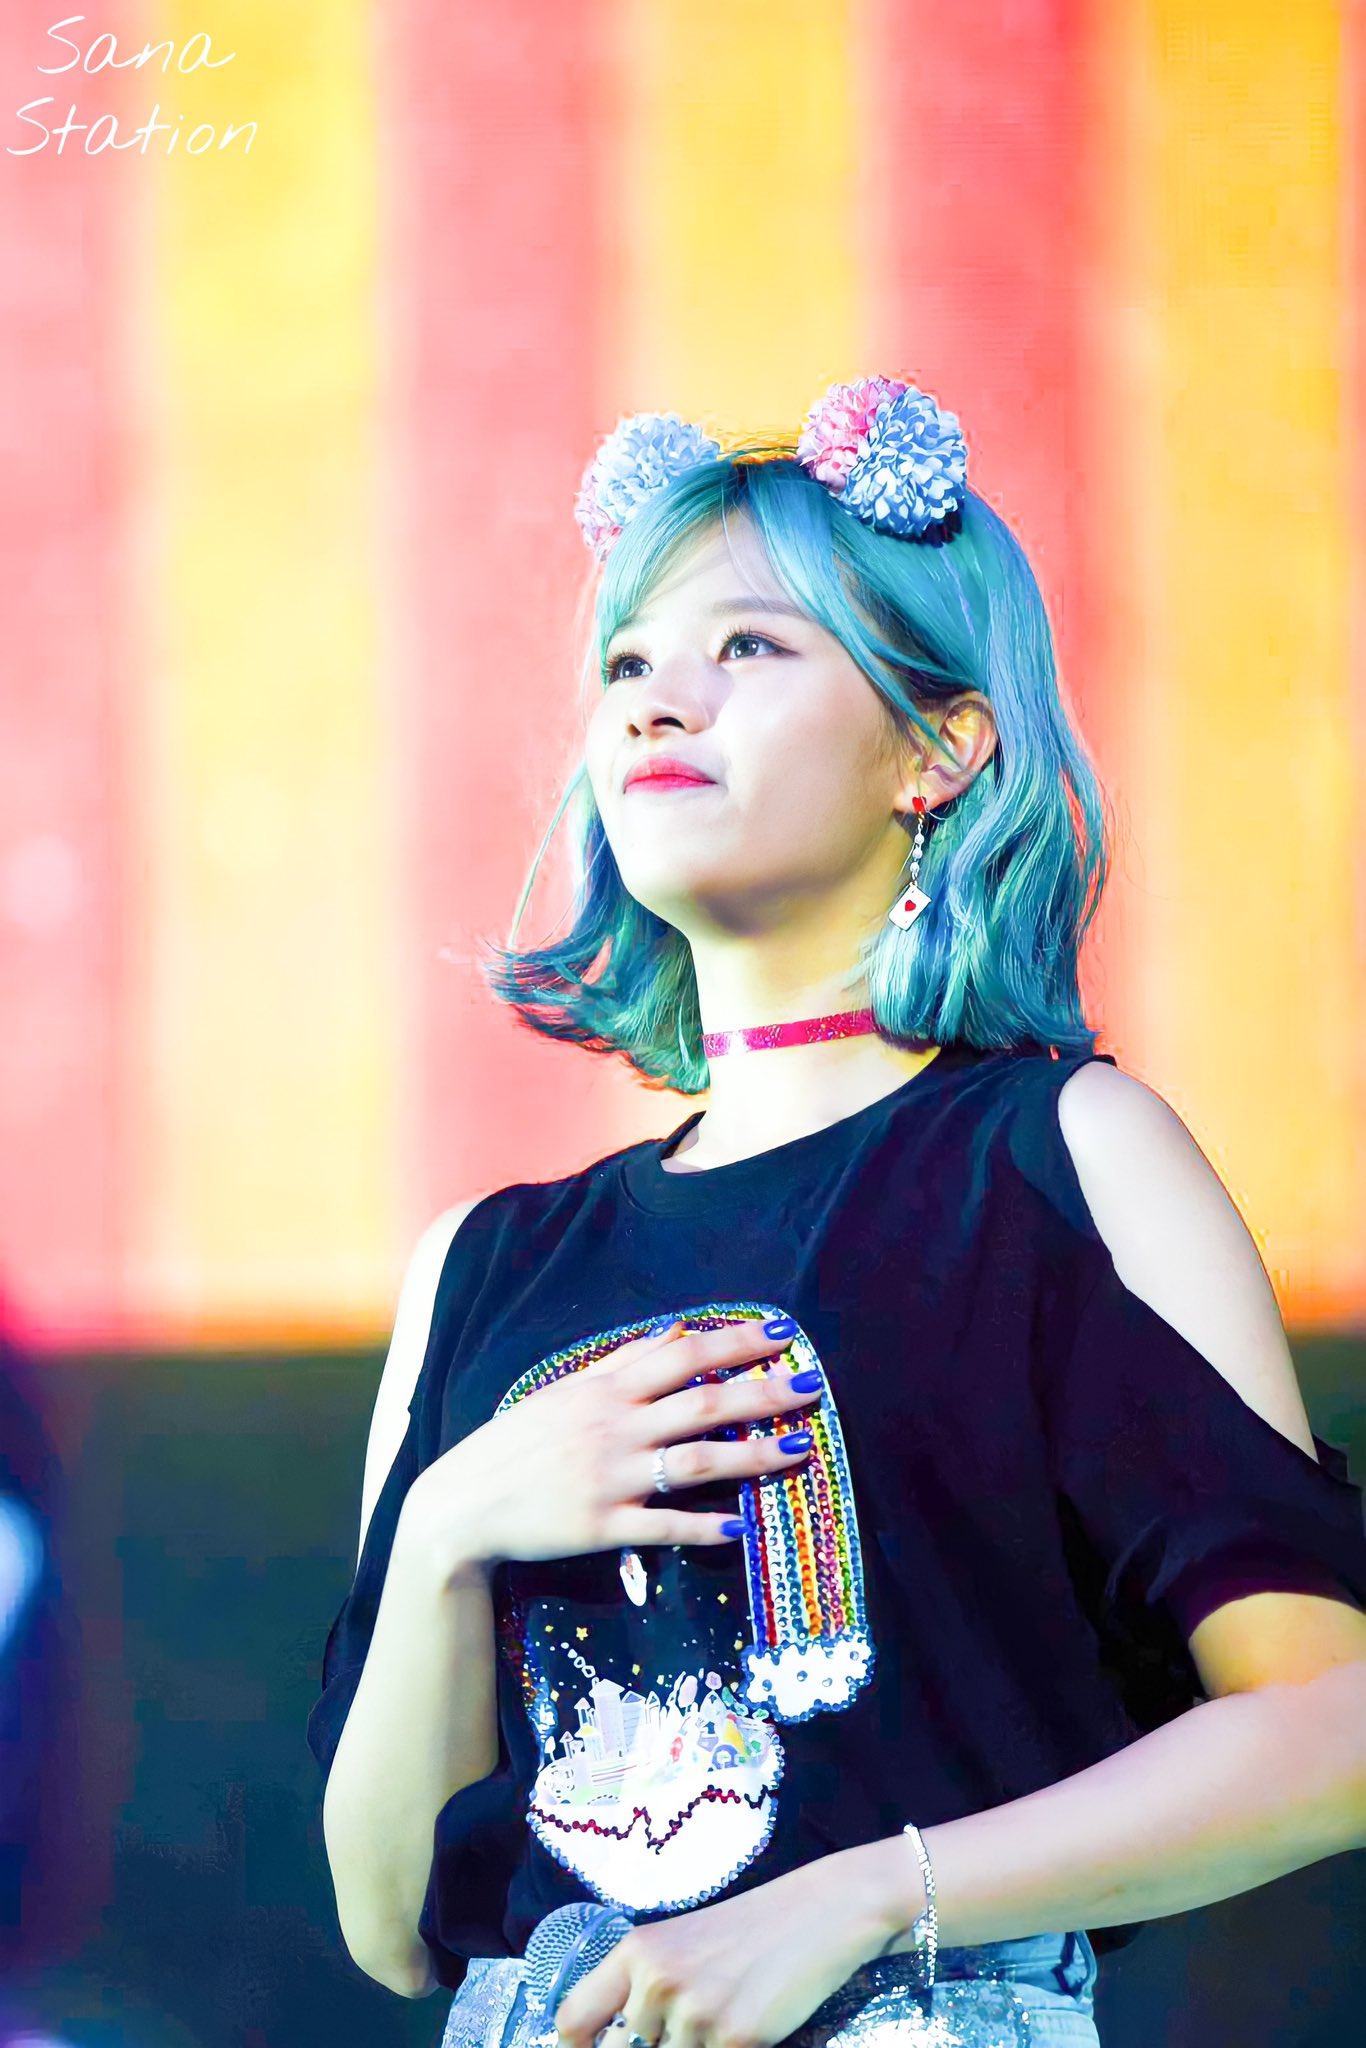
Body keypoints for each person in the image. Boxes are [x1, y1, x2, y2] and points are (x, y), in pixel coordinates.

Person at [308, 378, 1366, 2048]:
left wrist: (863, 1896)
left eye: (748, 647)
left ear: (938, 748)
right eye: (626, 665)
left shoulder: (1055, 1156)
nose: (658, 704)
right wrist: (448, 1526)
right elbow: (389, 1926)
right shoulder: (480, 1265)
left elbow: (1334, 1723)